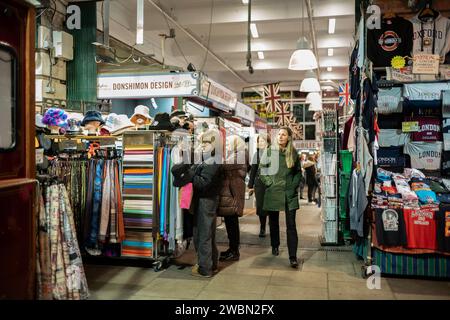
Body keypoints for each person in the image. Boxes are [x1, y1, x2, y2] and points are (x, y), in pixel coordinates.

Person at [259, 127, 302, 268]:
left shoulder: (293, 153)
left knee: (291, 225)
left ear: (289, 137)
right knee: (274, 222)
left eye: (284, 134)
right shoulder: (270, 151)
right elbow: (262, 169)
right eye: (279, 135)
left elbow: (298, 173)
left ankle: (292, 256)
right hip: (273, 191)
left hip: (289, 194)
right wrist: (269, 183)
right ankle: (275, 245)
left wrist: (293, 186)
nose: (280, 137)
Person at [187, 129, 222, 277]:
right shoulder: (209, 158)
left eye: (207, 142)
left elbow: (203, 182)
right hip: (206, 199)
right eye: (202, 142)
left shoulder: (213, 160)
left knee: (203, 234)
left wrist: (189, 175)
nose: (203, 145)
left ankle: (205, 268)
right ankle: (211, 264)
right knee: (206, 233)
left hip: (206, 199)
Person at [218, 135, 247, 261]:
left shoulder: (240, 154)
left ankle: (234, 251)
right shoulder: (236, 154)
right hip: (231, 192)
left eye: (229, 142)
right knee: (231, 223)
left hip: (233, 192)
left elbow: (225, 166)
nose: (227, 144)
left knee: (232, 222)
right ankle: (232, 249)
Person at [248, 133, 271, 237]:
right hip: (259, 184)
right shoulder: (256, 155)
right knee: (261, 206)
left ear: (268, 142)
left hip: (271, 184)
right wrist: (250, 185)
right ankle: (262, 228)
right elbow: (252, 171)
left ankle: (272, 223)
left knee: (271, 206)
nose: (261, 143)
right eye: (259, 141)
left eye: (263, 141)